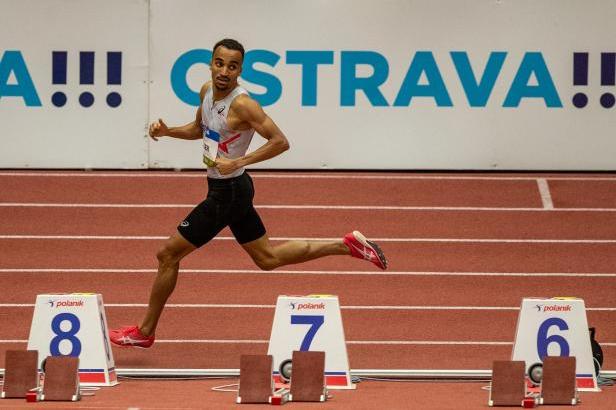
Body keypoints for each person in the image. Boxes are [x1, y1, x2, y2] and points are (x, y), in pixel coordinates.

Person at [109, 39, 387, 348]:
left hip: (228, 192)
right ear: (211, 64)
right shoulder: (206, 91)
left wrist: (238, 161)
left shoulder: (244, 105)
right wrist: (168, 131)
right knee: (267, 259)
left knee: (168, 254)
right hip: (229, 188)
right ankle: (346, 245)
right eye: (219, 63)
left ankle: (145, 331)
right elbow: (200, 129)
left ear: (241, 69)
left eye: (232, 66)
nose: (224, 71)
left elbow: (280, 141)